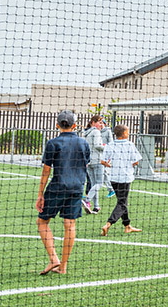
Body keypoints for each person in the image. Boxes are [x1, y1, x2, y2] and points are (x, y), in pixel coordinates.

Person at [35, 110, 90, 275]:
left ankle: (54, 259)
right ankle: (63, 267)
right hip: (77, 187)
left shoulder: (53, 143)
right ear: (75, 125)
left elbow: (46, 170)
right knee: (70, 225)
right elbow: (85, 164)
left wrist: (40, 194)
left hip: (58, 187)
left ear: (57, 125)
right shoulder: (83, 143)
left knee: (42, 222)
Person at [99, 124, 142, 236]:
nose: (128, 133)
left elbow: (103, 161)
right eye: (127, 131)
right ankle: (108, 224)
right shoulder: (130, 145)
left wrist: (110, 165)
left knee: (121, 201)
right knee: (122, 203)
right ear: (124, 134)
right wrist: (128, 165)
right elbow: (136, 161)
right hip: (125, 177)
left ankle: (127, 226)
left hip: (113, 178)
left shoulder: (110, 145)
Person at [83, 115, 107, 214]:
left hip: (89, 161)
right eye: (99, 122)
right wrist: (106, 147)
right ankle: (87, 200)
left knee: (94, 184)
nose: (101, 125)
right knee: (99, 183)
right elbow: (97, 145)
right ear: (93, 123)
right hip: (97, 160)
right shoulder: (96, 132)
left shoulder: (86, 133)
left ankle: (96, 207)